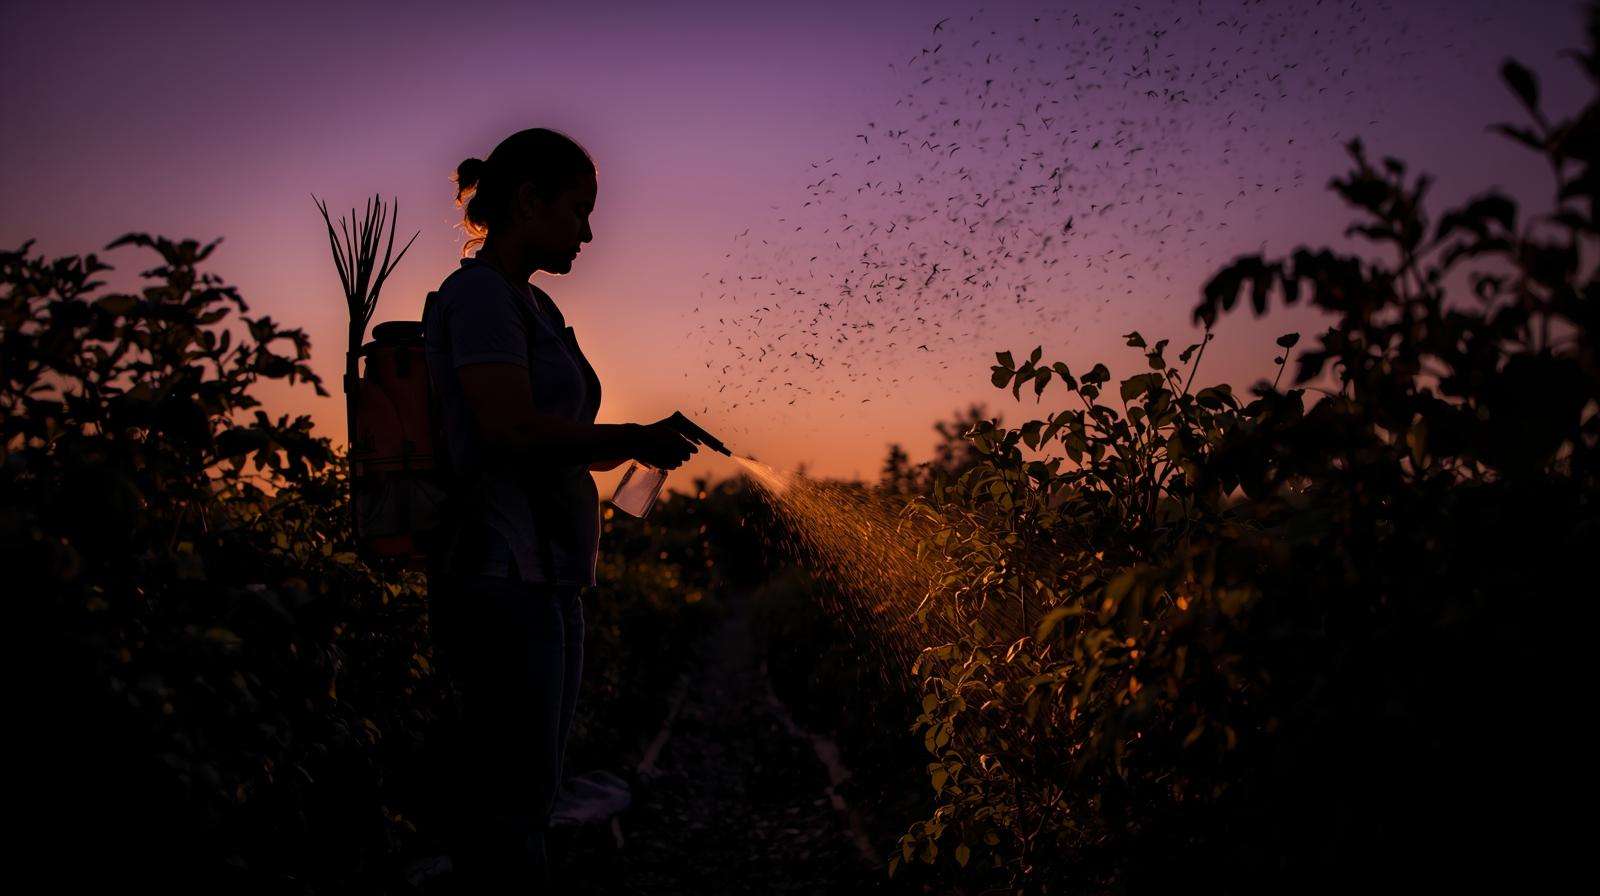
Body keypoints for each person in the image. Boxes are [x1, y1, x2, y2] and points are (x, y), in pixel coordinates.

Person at [422, 127, 697, 891]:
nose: (588, 230)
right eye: (577, 209)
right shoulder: (478, 298)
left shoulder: (533, 305)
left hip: (549, 573)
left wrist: (645, 442)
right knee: (512, 794)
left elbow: (567, 440)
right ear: (528, 201)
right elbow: (509, 430)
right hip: (501, 569)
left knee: (532, 783)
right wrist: (627, 434)